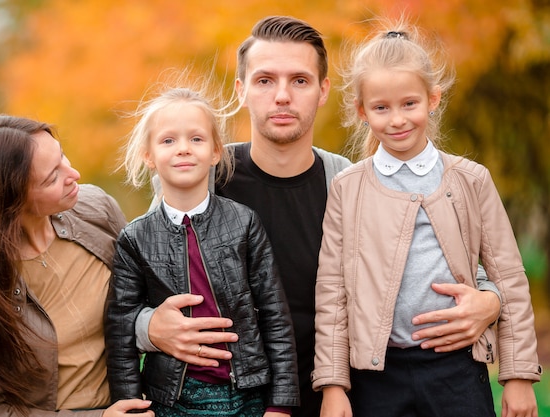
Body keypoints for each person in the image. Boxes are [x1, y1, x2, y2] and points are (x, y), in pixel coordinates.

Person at [137, 16, 503, 417]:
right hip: (230, 402)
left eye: (299, 80)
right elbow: (134, 289)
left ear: (323, 90)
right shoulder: (202, 182)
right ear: (241, 90)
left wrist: (491, 299)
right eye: (264, 81)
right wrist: (148, 327)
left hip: (342, 399)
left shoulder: (348, 184)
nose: (281, 96)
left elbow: (435, 259)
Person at [312, 18, 542, 417]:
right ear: (362, 111)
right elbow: (332, 291)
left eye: (409, 104)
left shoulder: (470, 180)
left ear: (432, 99)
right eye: (381, 108)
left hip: (457, 371)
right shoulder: (348, 188)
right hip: (376, 377)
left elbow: (509, 278)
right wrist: (333, 385)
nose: (397, 119)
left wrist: (518, 376)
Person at [0, 115, 154, 417]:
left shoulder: (97, 210)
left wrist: (154, 325)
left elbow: (141, 297)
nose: (74, 173)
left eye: (62, 156)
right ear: (9, 201)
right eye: (51, 178)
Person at [104, 85, 299, 416]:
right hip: (171, 398)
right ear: (148, 155)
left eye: (196, 139)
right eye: (168, 141)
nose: (183, 149)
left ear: (215, 152)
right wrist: (130, 405)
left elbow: (274, 315)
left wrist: (281, 402)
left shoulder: (244, 223)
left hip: (246, 392)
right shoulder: (135, 238)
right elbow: (121, 325)